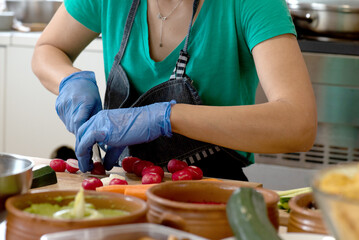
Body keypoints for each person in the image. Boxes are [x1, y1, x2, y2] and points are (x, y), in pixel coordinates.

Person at [32, 0, 317, 181]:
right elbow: (48, 49)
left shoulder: (252, 4)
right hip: (123, 186)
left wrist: (166, 117)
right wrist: (70, 81)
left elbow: (299, 125)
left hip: (209, 192)